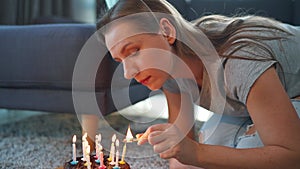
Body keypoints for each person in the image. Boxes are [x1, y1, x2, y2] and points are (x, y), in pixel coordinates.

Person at [96, 0, 300, 168]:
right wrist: (179, 149)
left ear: (167, 31)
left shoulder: (240, 61)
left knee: (247, 153)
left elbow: (292, 156)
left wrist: (197, 153)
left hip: (293, 90)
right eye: (120, 61)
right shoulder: (168, 72)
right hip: (250, 103)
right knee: (214, 147)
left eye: (134, 51)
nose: (128, 72)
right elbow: (182, 151)